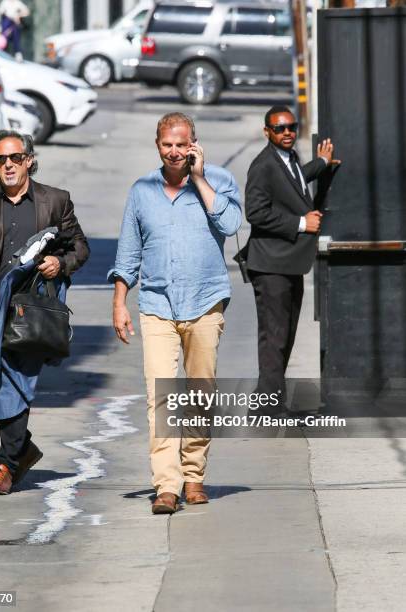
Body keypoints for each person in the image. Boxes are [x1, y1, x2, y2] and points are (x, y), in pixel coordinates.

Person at [108, 112, 241, 514]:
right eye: (168, 144)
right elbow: (128, 253)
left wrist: (199, 179)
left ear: (194, 144)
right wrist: (119, 302)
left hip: (204, 302)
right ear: (158, 145)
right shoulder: (142, 191)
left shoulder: (217, 180)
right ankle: (167, 485)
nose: (175, 151)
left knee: (200, 393)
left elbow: (233, 222)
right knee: (160, 398)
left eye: (182, 144)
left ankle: (194, 474)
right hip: (156, 307)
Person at [0, 129, 89, 495]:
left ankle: (5, 465)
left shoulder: (55, 200)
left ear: (28, 159)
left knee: (19, 380)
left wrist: (61, 261)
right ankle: (21, 449)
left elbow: (80, 247)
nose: (7, 165)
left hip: (33, 305)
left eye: (14, 158)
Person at [245, 105, 338, 411]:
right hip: (270, 264)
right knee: (274, 338)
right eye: (279, 128)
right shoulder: (263, 165)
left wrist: (321, 164)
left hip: (288, 263)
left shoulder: (289, 158)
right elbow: (255, 212)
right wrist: (301, 223)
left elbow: (296, 181)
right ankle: (269, 407)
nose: (287, 133)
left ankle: (265, 400)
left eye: (291, 127)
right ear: (267, 132)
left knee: (284, 335)